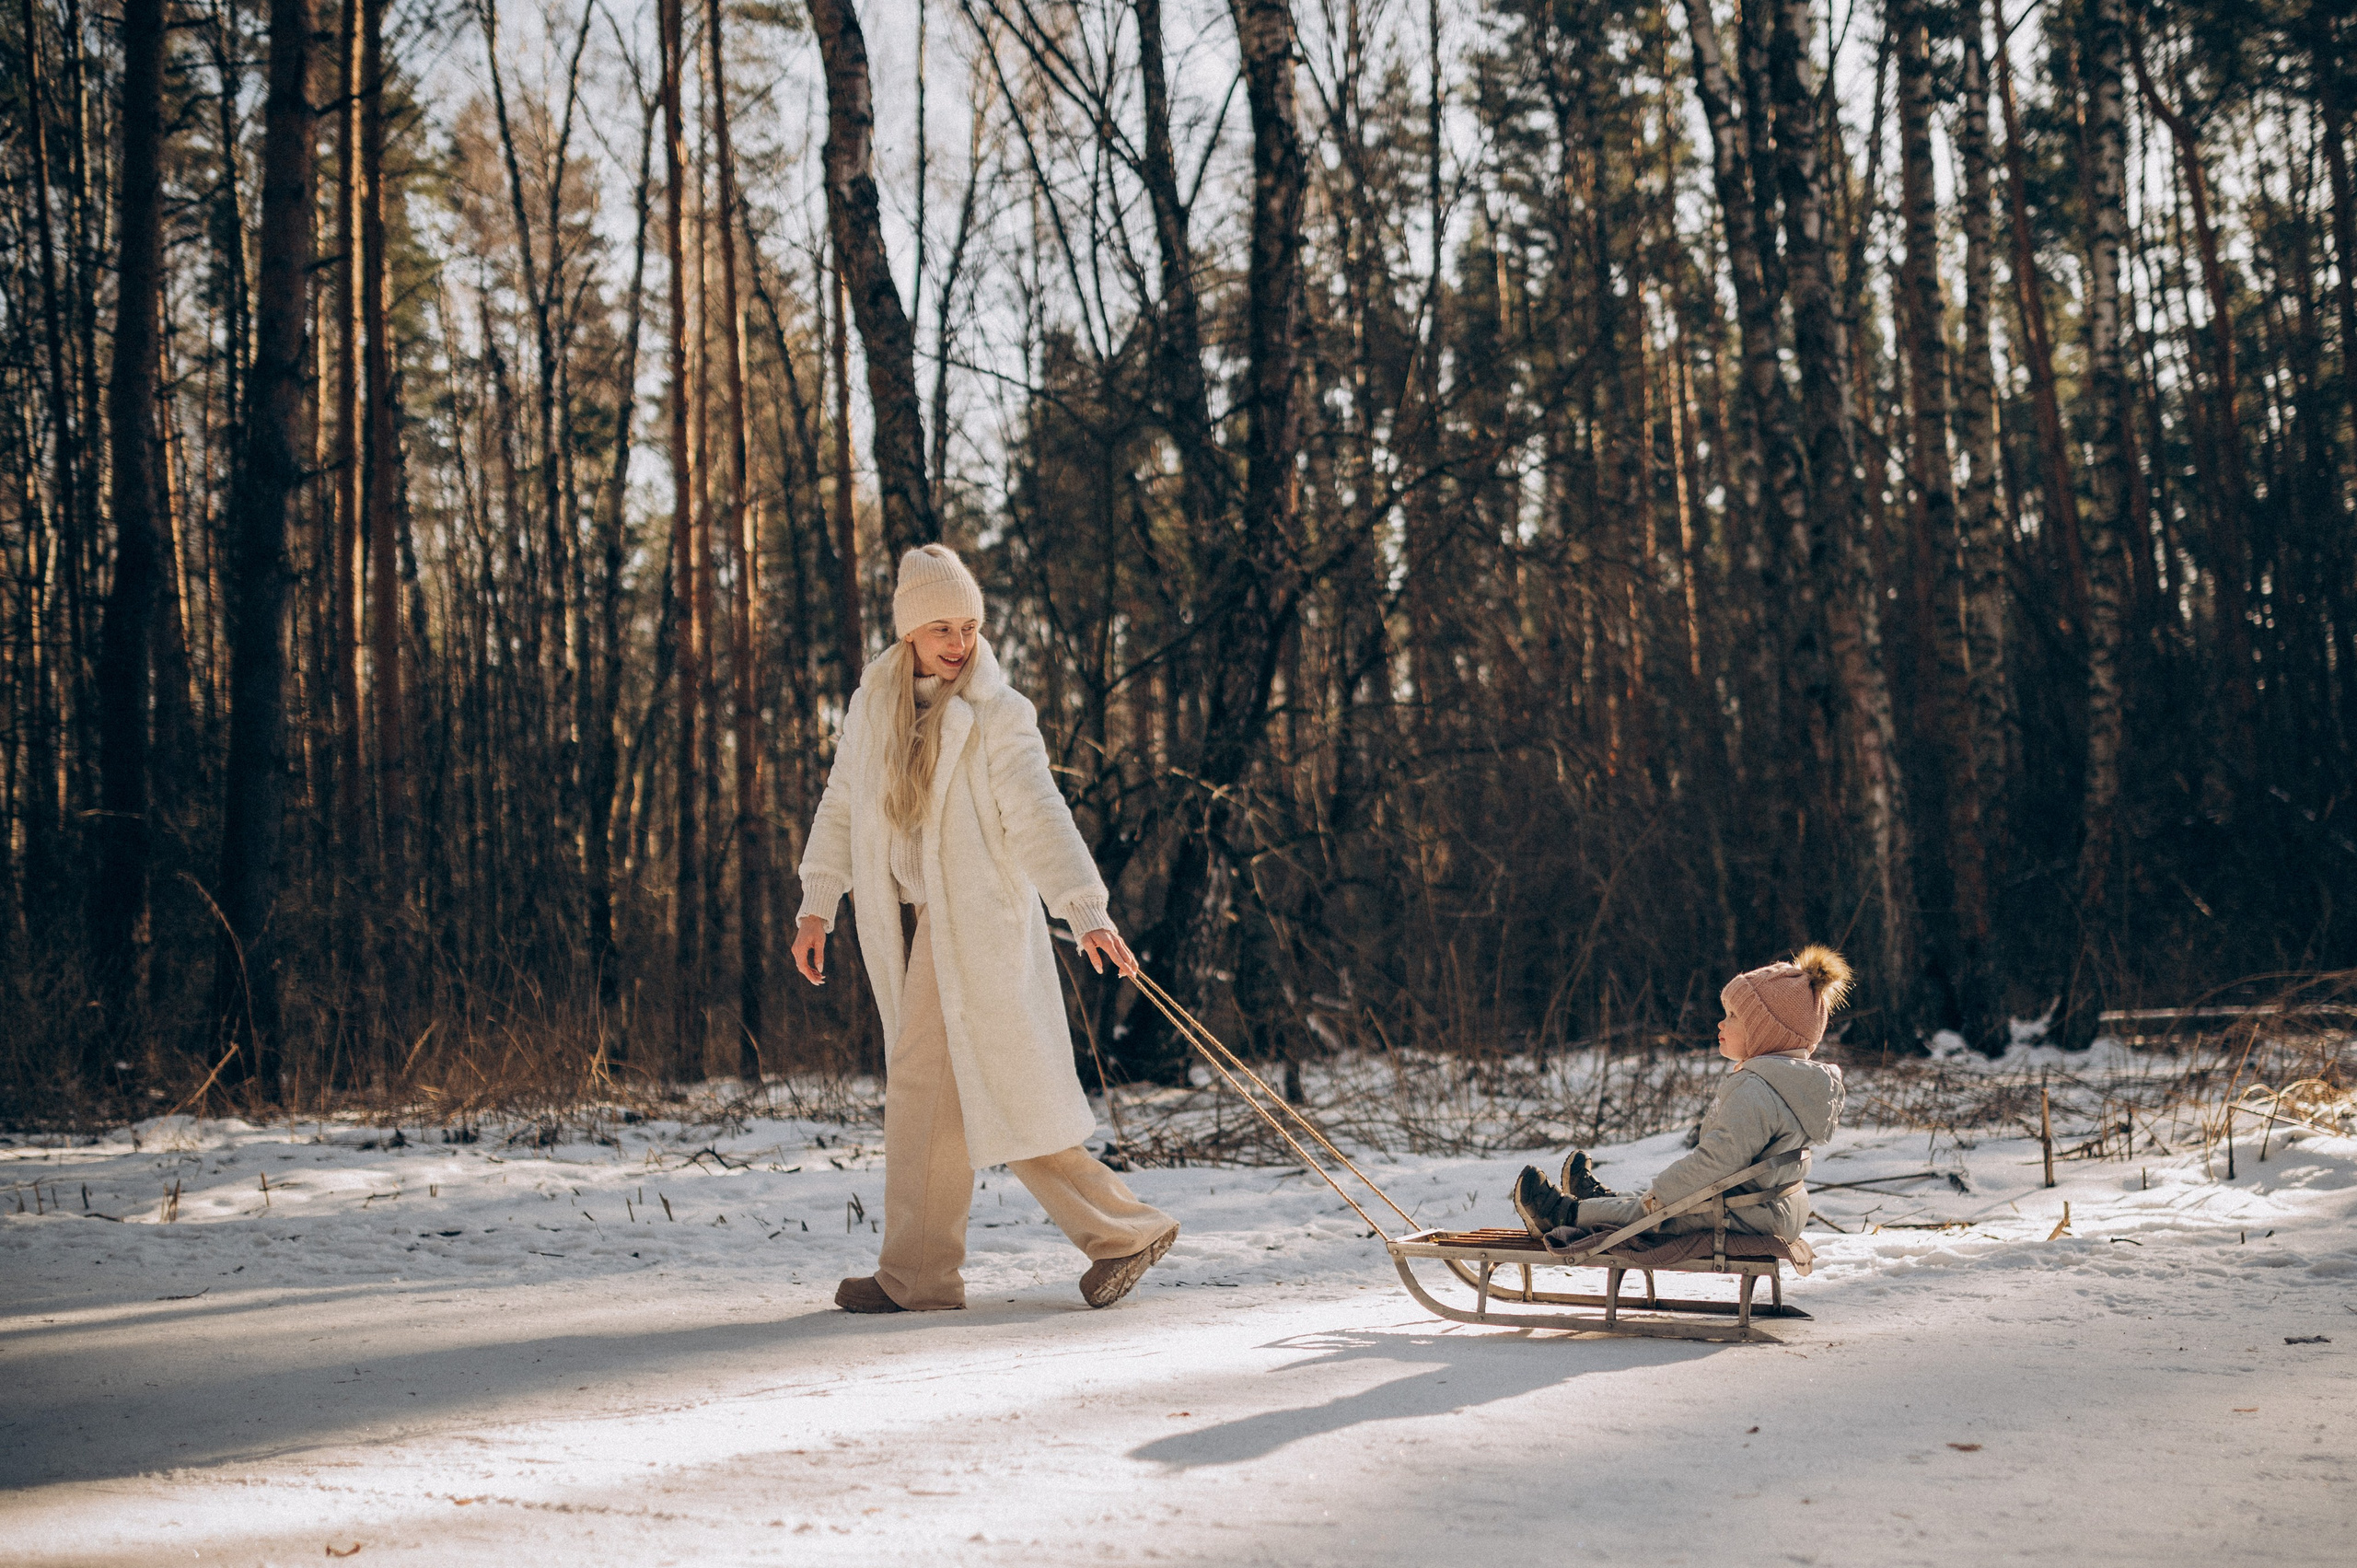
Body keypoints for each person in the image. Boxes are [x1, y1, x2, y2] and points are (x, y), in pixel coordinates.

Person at [792, 544, 1179, 1314]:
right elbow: (841, 804)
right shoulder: (874, 707)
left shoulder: (999, 712)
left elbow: (1039, 812)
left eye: (969, 625)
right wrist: (817, 901)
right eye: (942, 627)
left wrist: (1085, 907)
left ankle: (936, 1270)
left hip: (974, 923)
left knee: (938, 1086)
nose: (959, 642)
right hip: (907, 921)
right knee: (959, 1092)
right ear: (909, 631)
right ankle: (1079, 1239)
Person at [1512, 947, 1852, 1248]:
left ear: (1765, 1033)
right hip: (1774, 1207)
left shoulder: (1756, 1089)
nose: (1721, 1023)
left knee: (1660, 1209)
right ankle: (1602, 1203)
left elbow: (1716, 1163)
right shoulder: (1793, 1084)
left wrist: (1661, 1194)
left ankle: (1560, 1215)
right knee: (1658, 1198)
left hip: (1745, 1215)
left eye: (1733, 1016)